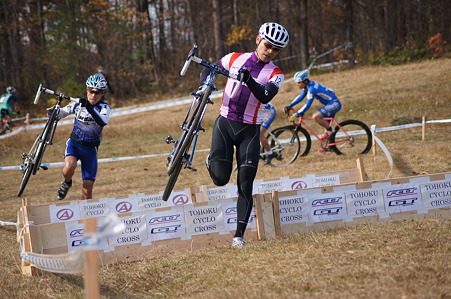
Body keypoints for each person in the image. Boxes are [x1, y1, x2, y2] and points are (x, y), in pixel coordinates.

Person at [203, 22, 289, 247]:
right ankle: (212, 159)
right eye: (268, 45)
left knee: (245, 184)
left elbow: (266, 96)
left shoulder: (276, 73)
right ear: (258, 39)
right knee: (221, 180)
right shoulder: (234, 58)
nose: (270, 51)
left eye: (276, 49)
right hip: (225, 123)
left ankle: (238, 236)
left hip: (249, 130)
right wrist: (206, 84)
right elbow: (209, 68)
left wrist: (248, 79)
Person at [55, 75, 111, 200]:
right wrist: (54, 111)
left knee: (88, 187)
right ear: (87, 90)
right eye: (91, 91)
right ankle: (67, 182)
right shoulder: (78, 103)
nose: (94, 95)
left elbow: (102, 121)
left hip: (90, 149)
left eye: (98, 92)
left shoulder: (104, 108)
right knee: (70, 167)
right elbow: (63, 112)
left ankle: (86, 217)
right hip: (74, 144)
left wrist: (89, 108)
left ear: (102, 93)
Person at [283, 70, 342, 145]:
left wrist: (297, 114)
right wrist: (289, 106)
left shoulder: (312, 89)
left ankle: (331, 130)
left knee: (316, 116)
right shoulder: (308, 86)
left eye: (299, 82)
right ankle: (328, 146)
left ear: (305, 81)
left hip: (334, 104)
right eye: (297, 83)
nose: (297, 85)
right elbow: (300, 97)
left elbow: (307, 105)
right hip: (330, 103)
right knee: (326, 125)